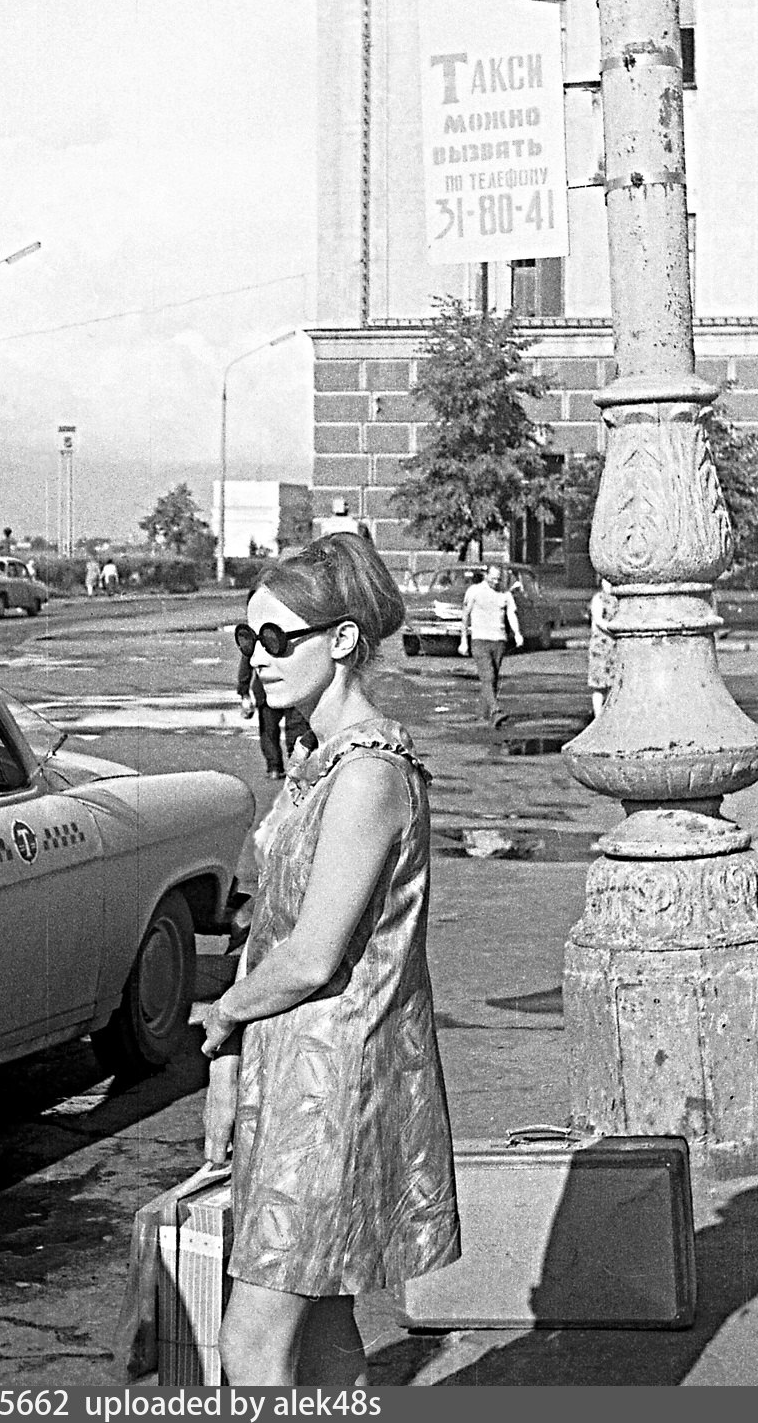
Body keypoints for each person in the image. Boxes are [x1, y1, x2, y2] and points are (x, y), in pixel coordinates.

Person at [199, 532, 459, 1386]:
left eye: (278, 638)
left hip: (332, 1091)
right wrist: (228, 1065)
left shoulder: (367, 776)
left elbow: (311, 956)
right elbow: (270, 927)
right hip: (293, 1080)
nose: (258, 658)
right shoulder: (318, 760)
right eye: (249, 637)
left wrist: (222, 1014)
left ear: (342, 639)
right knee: (323, 1329)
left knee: (251, 1343)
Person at [237, 641, 315, 779]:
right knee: (295, 728)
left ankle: (275, 768)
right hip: (291, 687)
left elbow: (246, 661)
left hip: (268, 687)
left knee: (269, 731)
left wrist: (244, 692)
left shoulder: (258, 636)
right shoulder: (292, 634)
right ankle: (296, 766)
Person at [458, 562, 523, 728]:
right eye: (493, 578)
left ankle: (483, 715)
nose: (496, 582)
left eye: (498, 579)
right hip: (480, 640)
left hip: (499, 641)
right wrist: (463, 640)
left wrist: (517, 633)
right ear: (485, 576)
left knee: (492, 679)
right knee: (488, 676)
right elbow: (465, 616)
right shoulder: (474, 591)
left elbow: (511, 614)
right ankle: (495, 710)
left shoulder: (505, 593)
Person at [587, 578, 618, 718]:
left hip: (615, 645)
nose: (609, 585)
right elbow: (599, 620)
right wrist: (615, 629)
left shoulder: (618, 599)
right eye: (606, 581)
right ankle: (598, 716)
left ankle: (611, 714)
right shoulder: (598, 598)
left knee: (613, 683)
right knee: (599, 685)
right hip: (601, 645)